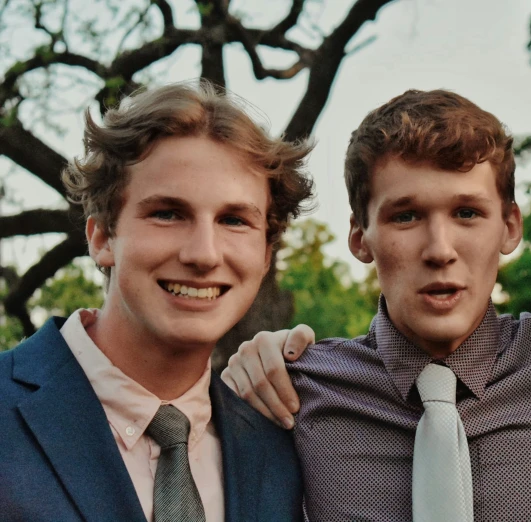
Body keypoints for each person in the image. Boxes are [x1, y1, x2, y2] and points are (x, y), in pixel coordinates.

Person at [223, 89, 531, 521]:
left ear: (510, 226)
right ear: (360, 237)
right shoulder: (292, 391)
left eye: (467, 213)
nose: (440, 250)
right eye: (406, 216)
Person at [0, 81, 311, 521]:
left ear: (265, 255)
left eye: (234, 220)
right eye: (167, 213)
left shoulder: (285, 447)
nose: (203, 254)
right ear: (102, 237)